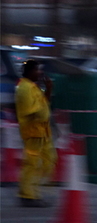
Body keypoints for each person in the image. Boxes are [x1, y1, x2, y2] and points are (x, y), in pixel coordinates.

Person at [15, 59, 56, 207]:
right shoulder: (24, 88)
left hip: (42, 131)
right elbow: (29, 112)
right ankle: (28, 195)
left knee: (48, 159)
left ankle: (33, 191)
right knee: (32, 163)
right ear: (30, 72)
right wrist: (42, 114)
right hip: (33, 131)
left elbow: (44, 103)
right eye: (37, 70)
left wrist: (49, 89)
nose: (40, 73)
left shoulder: (34, 87)